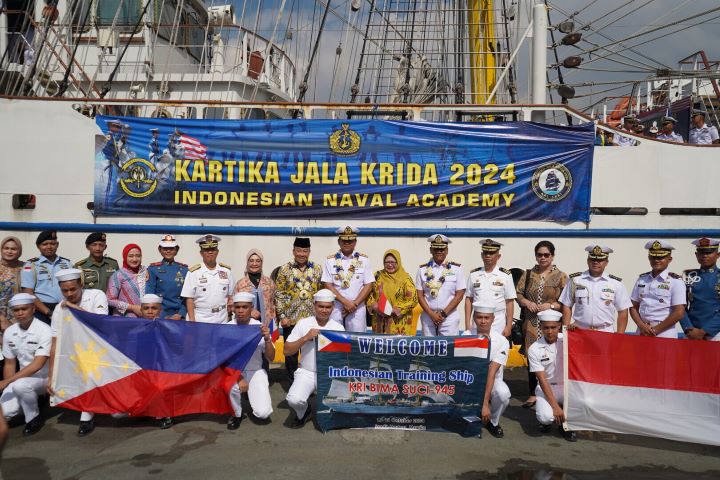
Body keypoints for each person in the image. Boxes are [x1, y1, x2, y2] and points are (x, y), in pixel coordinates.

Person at [46, 268, 108, 436]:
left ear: (81, 284)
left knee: (89, 372)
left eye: (73, 289)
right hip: (75, 350)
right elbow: (55, 341)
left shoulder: (96, 295)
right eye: (65, 290)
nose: (69, 293)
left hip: (100, 348)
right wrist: (51, 375)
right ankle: (87, 413)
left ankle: (86, 417)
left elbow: (100, 323)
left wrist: (73, 307)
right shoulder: (60, 308)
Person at [516, 241, 567, 408]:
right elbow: (518, 293)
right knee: (533, 357)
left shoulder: (561, 276)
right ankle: (533, 393)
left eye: (546, 254)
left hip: (552, 324)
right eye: (540, 254)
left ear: (552, 256)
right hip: (531, 323)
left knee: (554, 357)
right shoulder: (528, 274)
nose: (543, 257)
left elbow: (566, 302)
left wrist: (550, 305)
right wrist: (525, 302)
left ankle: (555, 390)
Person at [284, 289, 344, 428]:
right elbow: (287, 351)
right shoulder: (303, 324)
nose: (324, 310)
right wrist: (305, 338)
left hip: (329, 373)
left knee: (342, 403)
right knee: (294, 399)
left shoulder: (338, 327)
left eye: (328, 307)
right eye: (320, 306)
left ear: (333, 307)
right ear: (314, 305)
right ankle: (304, 413)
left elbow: (343, 357)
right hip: (307, 372)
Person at [0, 293, 52, 436]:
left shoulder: (44, 330)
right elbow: (9, 363)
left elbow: (38, 365)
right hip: (20, 378)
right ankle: (30, 401)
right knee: (5, 413)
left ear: (33, 309)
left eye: (24, 309)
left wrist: (7, 382)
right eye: (16, 310)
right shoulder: (10, 332)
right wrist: (7, 387)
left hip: (46, 379)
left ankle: (33, 417)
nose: (20, 313)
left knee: (20, 386)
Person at [274, 237, 323, 380]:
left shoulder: (317, 269)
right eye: (299, 250)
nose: (302, 254)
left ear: (309, 252)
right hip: (291, 319)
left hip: (312, 319)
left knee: (312, 353)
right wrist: (282, 316)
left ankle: (311, 383)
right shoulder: (285, 269)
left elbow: (321, 292)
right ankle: (292, 384)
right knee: (291, 355)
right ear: (293, 251)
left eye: (305, 251)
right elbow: (279, 293)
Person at [227, 292, 275, 430]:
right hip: (234, 371)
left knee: (263, 413)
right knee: (232, 387)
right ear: (233, 309)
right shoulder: (227, 328)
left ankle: (250, 396)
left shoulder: (259, 327)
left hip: (256, 370)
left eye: (244, 307)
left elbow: (271, 357)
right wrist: (239, 377)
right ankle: (236, 413)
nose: (241, 311)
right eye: (237, 307)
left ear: (251, 308)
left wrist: (267, 340)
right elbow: (225, 360)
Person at [559, 245, 632, 333]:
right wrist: (566, 329)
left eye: (600, 260)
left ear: (606, 262)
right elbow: (567, 305)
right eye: (593, 259)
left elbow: (623, 311)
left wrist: (620, 335)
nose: (596, 262)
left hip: (605, 331)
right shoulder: (575, 280)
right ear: (587, 261)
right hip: (580, 330)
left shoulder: (616, 283)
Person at [528, 309, 576, 442]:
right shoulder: (534, 348)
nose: (550, 331)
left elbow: (587, 344)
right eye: (546, 328)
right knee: (545, 417)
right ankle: (550, 421)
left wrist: (576, 329)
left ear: (560, 326)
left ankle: (566, 424)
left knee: (586, 403)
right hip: (546, 387)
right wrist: (555, 407)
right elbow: (542, 379)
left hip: (567, 386)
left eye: (553, 327)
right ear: (541, 327)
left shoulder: (568, 339)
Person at [322, 226, 374, 333]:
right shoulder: (330, 261)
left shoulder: (364, 260)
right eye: (344, 240)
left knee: (357, 342)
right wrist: (345, 302)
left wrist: (354, 304)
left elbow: (368, 285)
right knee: (335, 340)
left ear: (355, 242)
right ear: (339, 241)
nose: (347, 243)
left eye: (350, 240)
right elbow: (328, 284)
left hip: (357, 308)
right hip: (336, 307)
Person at [630, 240, 686, 338]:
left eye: (661, 257)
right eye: (653, 257)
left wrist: (655, 330)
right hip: (642, 330)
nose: (656, 260)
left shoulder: (676, 282)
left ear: (669, 259)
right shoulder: (642, 280)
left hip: (664, 332)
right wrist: (641, 325)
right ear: (649, 258)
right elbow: (633, 307)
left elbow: (679, 312)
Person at [473, 301, 511, 439]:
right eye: (479, 317)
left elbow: (492, 372)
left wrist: (485, 404)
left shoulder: (501, 341)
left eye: (486, 318)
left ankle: (492, 422)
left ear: (493, 319)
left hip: (493, 379)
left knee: (503, 394)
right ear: (474, 317)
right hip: (470, 379)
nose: (483, 321)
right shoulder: (465, 336)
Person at [415, 234, 466, 336]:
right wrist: (431, 314)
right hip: (428, 316)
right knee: (429, 348)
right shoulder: (422, 270)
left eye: (442, 249)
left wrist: (443, 314)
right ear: (431, 250)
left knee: (448, 348)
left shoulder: (456, 269)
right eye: (436, 249)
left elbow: (460, 294)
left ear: (447, 250)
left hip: (449, 317)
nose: (439, 252)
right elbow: (419, 295)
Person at [463, 239, 515, 336]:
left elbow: (509, 303)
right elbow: (468, 299)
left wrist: (508, 326)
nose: (488, 256)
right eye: (486, 252)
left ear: (498, 256)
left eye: (491, 253)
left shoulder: (505, 276)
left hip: (498, 322)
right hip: (478, 321)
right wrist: (467, 324)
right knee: (477, 349)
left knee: (496, 349)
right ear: (482, 255)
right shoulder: (474, 275)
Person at [21, 230, 72, 324]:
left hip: (64, 308)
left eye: (52, 243)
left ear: (57, 245)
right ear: (38, 246)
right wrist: (48, 312)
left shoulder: (67, 264)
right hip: (41, 311)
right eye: (45, 244)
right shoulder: (30, 265)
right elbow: (28, 293)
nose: (49, 247)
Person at [181, 235, 234, 324]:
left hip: (222, 318)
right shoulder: (193, 273)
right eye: (206, 250)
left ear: (217, 252)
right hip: (200, 317)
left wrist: (229, 315)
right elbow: (189, 299)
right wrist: (192, 320)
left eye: (213, 249)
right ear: (201, 253)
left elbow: (231, 296)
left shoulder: (226, 271)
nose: (210, 252)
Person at [366, 249, 418, 335]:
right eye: (387, 262)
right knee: (380, 347)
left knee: (397, 347)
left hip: (399, 324)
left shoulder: (406, 278)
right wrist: (373, 304)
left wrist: (397, 309)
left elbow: (413, 300)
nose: (390, 265)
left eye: (393, 262)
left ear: (398, 262)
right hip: (379, 322)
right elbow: (368, 294)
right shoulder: (377, 276)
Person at [680, 238, 720, 341]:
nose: (705, 256)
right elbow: (679, 305)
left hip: (715, 333)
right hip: (691, 332)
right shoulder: (688, 276)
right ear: (696, 255)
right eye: (701, 252)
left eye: (709, 252)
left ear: (718, 255)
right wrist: (688, 329)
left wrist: (704, 331)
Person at [146, 234, 188, 320]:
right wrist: (161, 315)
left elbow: (188, 296)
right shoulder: (153, 269)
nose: (168, 251)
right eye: (165, 248)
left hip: (179, 316)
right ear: (160, 250)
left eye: (171, 248)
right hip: (160, 316)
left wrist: (181, 314)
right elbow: (150, 295)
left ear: (177, 250)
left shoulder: (184, 270)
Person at [234, 249, 276, 329]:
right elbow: (232, 305)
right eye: (251, 261)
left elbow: (275, 304)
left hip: (267, 326)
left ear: (262, 263)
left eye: (258, 261)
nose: (254, 264)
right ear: (247, 262)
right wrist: (249, 312)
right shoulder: (240, 284)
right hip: (246, 327)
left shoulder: (270, 283)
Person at [107, 244, 147, 317]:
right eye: (130, 256)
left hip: (144, 319)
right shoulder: (118, 275)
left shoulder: (146, 272)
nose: (134, 259)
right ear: (125, 257)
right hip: (124, 320)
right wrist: (133, 308)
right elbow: (110, 300)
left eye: (138, 256)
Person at [0, 236, 24, 332]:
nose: (9, 251)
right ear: (1, 250)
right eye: (6, 248)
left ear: (19, 251)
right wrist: (2, 319)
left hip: (19, 318)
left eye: (13, 249)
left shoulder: (26, 268)